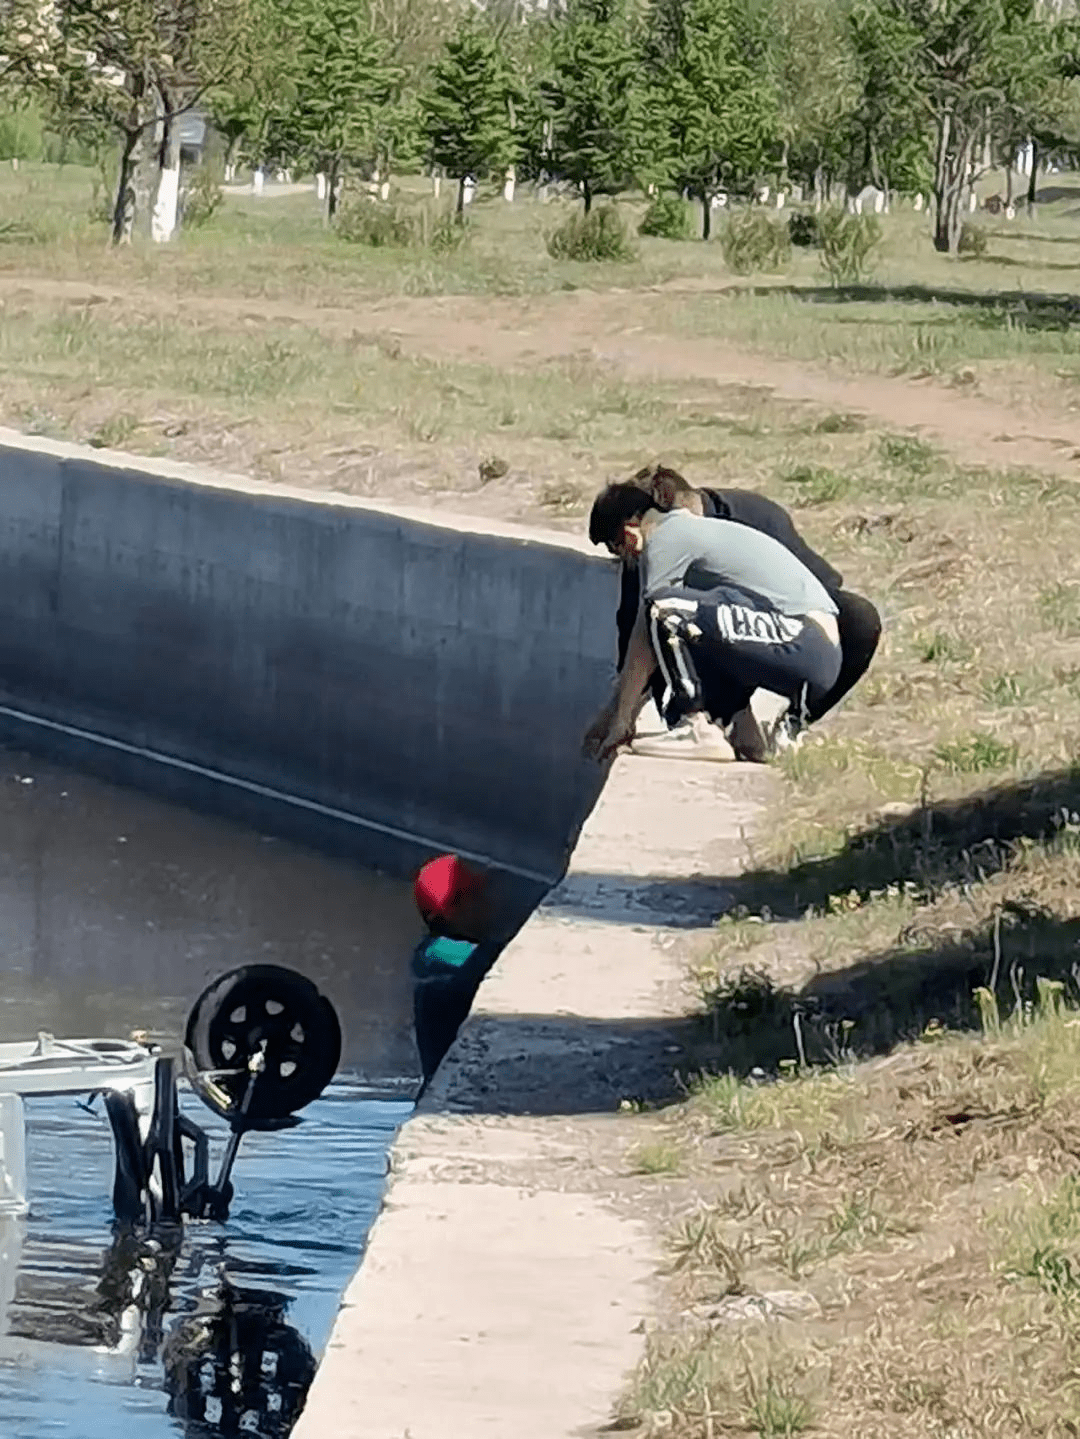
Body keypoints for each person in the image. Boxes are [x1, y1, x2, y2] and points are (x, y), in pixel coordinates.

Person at [596, 464, 881, 761]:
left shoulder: (668, 537)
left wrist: (620, 721)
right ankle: (739, 733)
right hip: (808, 651)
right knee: (696, 616)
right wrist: (621, 717)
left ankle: (698, 730)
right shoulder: (696, 534)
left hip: (807, 643)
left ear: (630, 535)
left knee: (671, 611)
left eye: (618, 551)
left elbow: (652, 623)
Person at [410, 854, 500, 1089]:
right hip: (449, 1088)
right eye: (477, 896)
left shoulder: (432, 952)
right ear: (453, 910)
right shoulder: (438, 953)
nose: (488, 902)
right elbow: (493, 957)